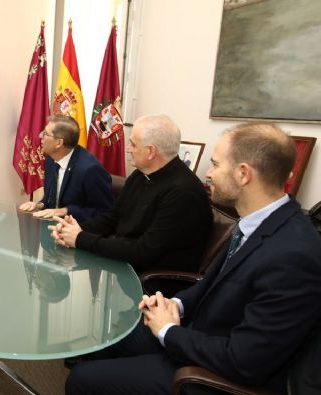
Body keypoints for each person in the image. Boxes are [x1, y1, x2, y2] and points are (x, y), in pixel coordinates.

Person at [65, 122, 321, 394]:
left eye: (215, 164)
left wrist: (168, 331)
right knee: (109, 332)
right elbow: (210, 284)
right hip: (195, 333)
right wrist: (175, 304)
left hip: (211, 373)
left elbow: (244, 361)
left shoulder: (294, 255)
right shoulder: (258, 222)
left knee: (81, 379)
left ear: (243, 174)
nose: (208, 173)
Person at [50, 114, 212, 273]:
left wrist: (80, 238)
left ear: (151, 152)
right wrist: (72, 229)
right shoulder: (140, 175)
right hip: (123, 263)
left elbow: (143, 252)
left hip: (151, 280)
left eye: (133, 144)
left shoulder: (184, 193)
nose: (127, 149)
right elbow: (112, 218)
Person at [19, 115, 113, 222]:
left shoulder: (90, 170)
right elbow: (51, 198)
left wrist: (65, 211)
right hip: (53, 225)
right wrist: (39, 205)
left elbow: (104, 213)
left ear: (59, 143)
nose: (40, 136)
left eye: (45, 134)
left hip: (78, 229)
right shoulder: (51, 159)